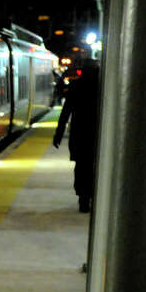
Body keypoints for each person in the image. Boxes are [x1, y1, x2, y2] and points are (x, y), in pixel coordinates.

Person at [54, 58, 100, 212]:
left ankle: (83, 197)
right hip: (97, 136)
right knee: (94, 166)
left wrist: (58, 135)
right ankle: (90, 194)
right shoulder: (102, 89)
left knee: (81, 166)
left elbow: (65, 113)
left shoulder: (76, 86)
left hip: (79, 135)